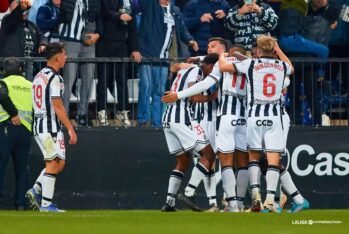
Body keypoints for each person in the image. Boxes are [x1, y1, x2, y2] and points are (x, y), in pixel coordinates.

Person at [219, 35, 294, 212]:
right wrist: (279, 50)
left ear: (258, 50)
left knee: (253, 156)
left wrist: (223, 55)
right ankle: (270, 199)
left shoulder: (251, 64)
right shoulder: (282, 66)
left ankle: (255, 194)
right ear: (273, 49)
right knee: (273, 158)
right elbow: (292, 68)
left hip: (254, 116)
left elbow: (223, 67)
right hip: (274, 117)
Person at [160, 54, 217, 212]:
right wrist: (213, 96)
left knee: (183, 160)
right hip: (181, 117)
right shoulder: (198, 72)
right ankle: (189, 192)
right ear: (210, 66)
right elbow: (194, 97)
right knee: (209, 155)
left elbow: (173, 67)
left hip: (167, 117)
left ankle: (169, 203)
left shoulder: (188, 67)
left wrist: (177, 65)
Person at [26, 43, 77, 212]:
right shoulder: (56, 78)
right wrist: (70, 127)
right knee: (54, 162)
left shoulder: (39, 75)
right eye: (64, 54)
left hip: (39, 125)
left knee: (58, 162)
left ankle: (36, 191)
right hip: (50, 126)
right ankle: (46, 205)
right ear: (57, 57)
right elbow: (58, 105)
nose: (66, 57)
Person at [137, 0, 198, 127]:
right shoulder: (150, 5)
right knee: (146, 88)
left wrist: (190, 40)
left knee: (159, 91)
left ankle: (157, 123)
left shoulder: (175, 10)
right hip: (148, 55)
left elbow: (181, 28)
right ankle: (143, 120)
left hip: (164, 59)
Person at [96, 0, 142, 126]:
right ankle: (101, 110)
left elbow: (132, 28)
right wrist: (119, 15)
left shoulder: (128, 3)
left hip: (121, 45)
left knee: (122, 80)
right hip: (104, 44)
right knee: (103, 79)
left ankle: (122, 110)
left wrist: (135, 48)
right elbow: (103, 12)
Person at [59, 0, 101, 126]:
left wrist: (98, 34)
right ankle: (64, 115)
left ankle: (82, 115)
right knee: (68, 80)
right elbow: (64, 12)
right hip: (70, 40)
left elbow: (99, 16)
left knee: (88, 80)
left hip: (89, 41)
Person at [0, 58, 33, 210]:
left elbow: (2, 96)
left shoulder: (4, 82)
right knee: (22, 169)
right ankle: (21, 203)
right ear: (21, 69)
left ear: (4, 70)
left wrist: (13, 114)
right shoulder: (30, 85)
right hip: (26, 129)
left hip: (7, 127)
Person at [0, 0, 47, 78]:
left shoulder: (32, 25)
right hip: (10, 70)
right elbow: (14, 17)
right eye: (18, 3)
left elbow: (42, 36)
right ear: (10, 6)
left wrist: (43, 44)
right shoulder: (7, 20)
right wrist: (21, 8)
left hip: (29, 71)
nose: (23, 4)